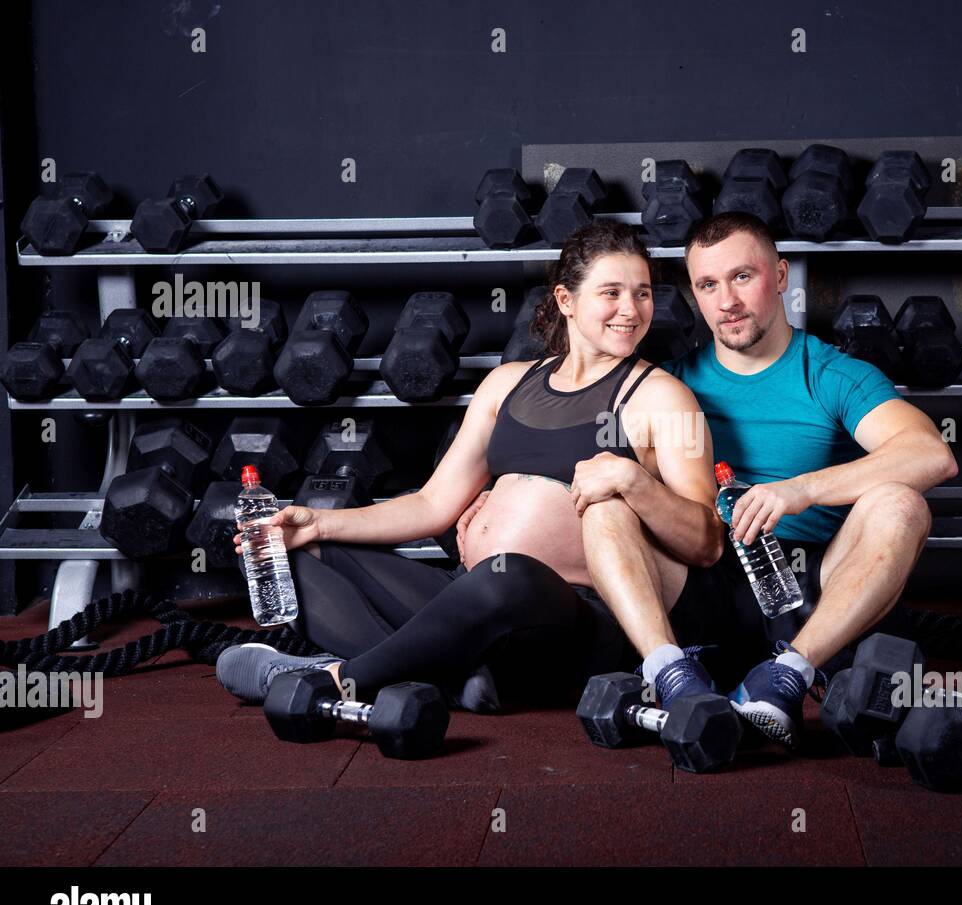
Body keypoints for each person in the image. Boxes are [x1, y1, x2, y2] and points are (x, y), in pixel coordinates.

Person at [461, 211, 957, 745]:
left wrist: (800, 489)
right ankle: (671, 673)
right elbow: (589, 463)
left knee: (901, 504)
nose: (727, 301)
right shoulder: (665, 382)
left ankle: (788, 675)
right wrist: (503, 497)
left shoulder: (830, 374)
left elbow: (930, 454)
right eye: (707, 284)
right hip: (703, 583)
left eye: (743, 276)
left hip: (811, 583)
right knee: (612, 503)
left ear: (782, 275)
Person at [215, 219, 725, 712]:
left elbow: (705, 542)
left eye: (642, 293)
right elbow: (433, 504)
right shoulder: (507, 383)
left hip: (572, 621)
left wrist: (636, 482)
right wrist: (317, 522)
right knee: (281, 554)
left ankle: (337, 679)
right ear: (566, 300)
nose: (631, 310)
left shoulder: (664, 397)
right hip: (467, 598)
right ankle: (455, 677)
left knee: (509, 574)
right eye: (611, 292)